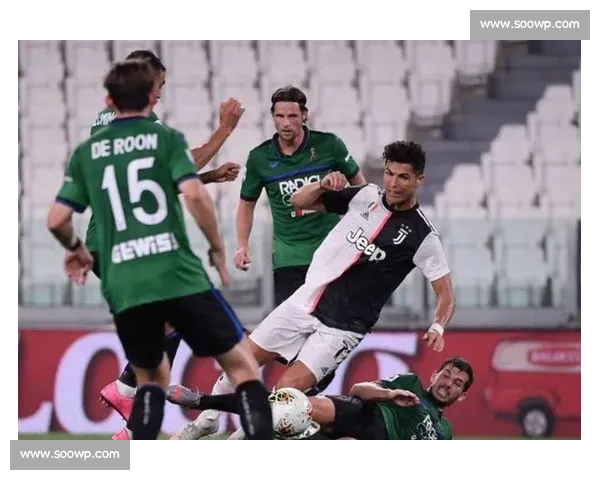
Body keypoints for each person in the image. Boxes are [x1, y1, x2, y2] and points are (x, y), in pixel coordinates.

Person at [48, 60, 273, 440]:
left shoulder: (88, 151)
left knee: (152, 379)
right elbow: (193, 194)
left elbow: (57, 219)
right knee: (242, 367)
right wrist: (217, 249)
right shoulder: (162, 138)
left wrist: (74, 247)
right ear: (152, 94)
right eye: (160, 87)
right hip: (175, 271)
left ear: (109, 100)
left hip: (123, 276)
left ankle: (130, 420)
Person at [174, 140, 456, 440]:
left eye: (403, 177)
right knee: (241, 362)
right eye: (389, 173)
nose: (394, 183)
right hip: (305, 300)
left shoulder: (423, 236)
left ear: (419, 180)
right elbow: (298, 201)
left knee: (285, 396)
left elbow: (446, 294)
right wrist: (321, 184)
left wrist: (438, 325)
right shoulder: (365, 196)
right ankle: (207, 421)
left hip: (342, 327)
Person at [170, 85, 367, 440]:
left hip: (335, 264)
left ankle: (239, 427)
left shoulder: (330, 146)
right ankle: (213, 417)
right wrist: (241, 245)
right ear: (273, 118)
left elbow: (362, 191)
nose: (286, 123)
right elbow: (246, 203)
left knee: (313, 367)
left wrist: (362, 224)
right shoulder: (261, 158)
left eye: (292, 115)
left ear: (305, 115)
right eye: (280, 116)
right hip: (291, 261)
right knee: (272, 346)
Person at [167, 356, 474, 440]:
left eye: (457, 383)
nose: (448, 383)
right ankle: (202, 402)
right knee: (287, 405)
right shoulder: (410, 383)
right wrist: (389, 394)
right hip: (362, 412)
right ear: (434, 375)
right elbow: (358, 390)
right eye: (446, 375)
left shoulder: (444, 434)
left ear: (462, 396)